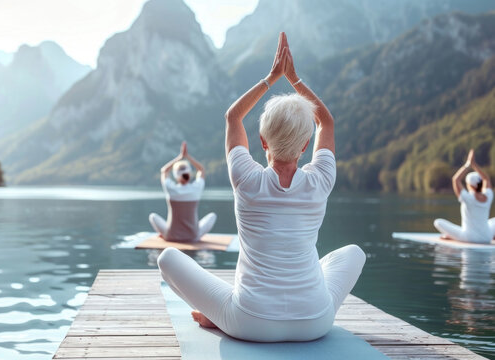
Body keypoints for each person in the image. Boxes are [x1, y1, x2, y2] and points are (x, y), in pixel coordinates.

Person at [157, 32, 366, 342]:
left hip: (249, 323)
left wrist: (272, 78)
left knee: (166, 259)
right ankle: (272, 302)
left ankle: (216, 315)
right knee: (355, 253)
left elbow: (233, 117)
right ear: (306, 145)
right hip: (315, 322)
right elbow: (327, 123)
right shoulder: (321, 179)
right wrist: (294, 79)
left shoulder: (245, 177)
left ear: (262, 142)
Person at [149, 141, 216, 242]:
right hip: (193, 236)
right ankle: (196, 234)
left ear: (176, 176)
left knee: (152, 216)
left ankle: (163, 235)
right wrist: (187, 156)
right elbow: (202, 170)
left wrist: (180, 157)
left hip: (171, 236)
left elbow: (164, 171)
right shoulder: (196, 188)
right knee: (212, 216)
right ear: (189, 174)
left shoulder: (171, 188)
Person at [433, 149, 494, 244]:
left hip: (469, 238)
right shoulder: (488, 196)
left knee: (438, 222)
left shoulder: (467, 197)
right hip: (487, 237)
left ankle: (453, 238)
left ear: (469, 185)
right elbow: (486, 178)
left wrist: (468, 164)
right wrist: (475, 165)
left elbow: (455, 179)